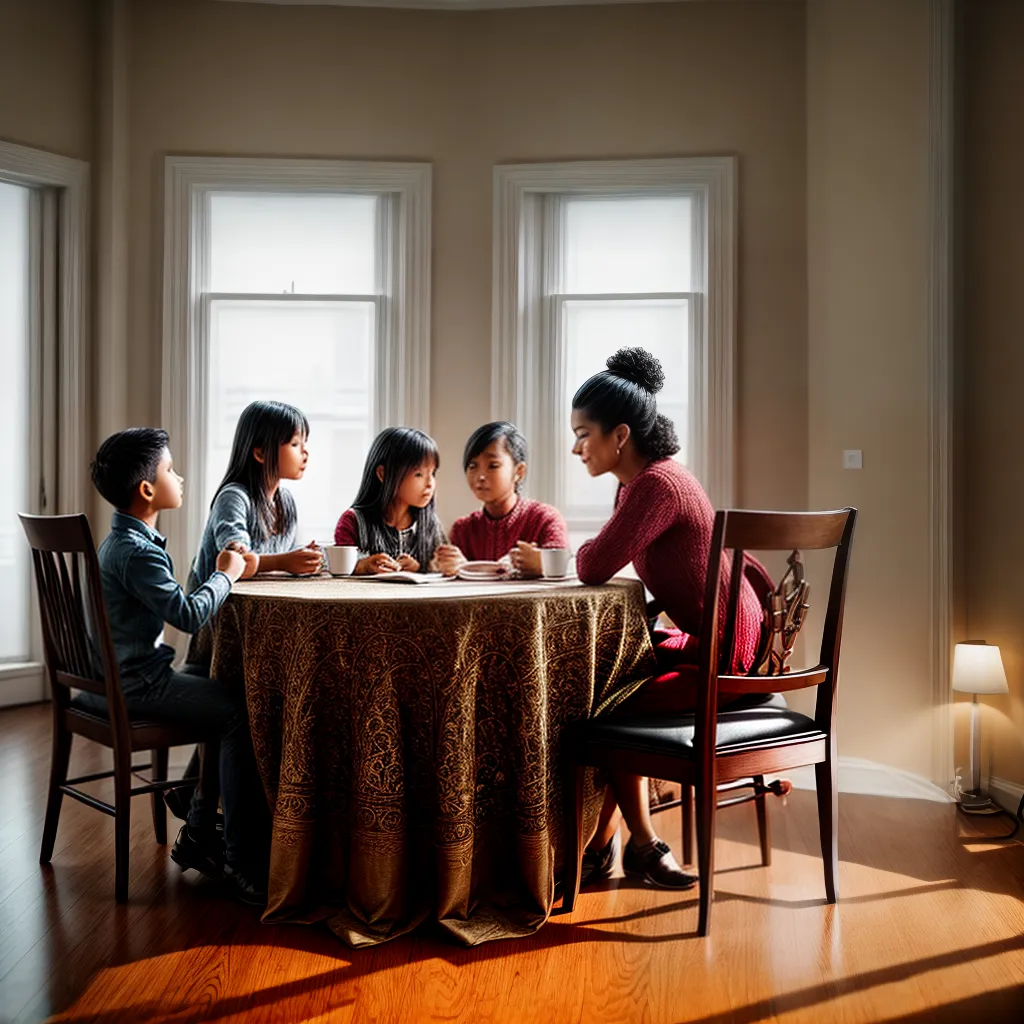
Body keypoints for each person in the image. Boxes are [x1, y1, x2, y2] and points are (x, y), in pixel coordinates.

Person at [570, 347, 772, 890]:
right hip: (723, 642)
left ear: (619, 436)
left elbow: (592, 564)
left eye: (583, 434)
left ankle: (628, 844)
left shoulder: (657, 486)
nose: (575, 447)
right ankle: (613, 846)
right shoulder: (645, 482)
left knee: (599, 704)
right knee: (605, 679)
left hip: (723, 658)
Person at [86, 427, 268, 903]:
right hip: (139, 684)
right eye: (170, 469)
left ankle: (200, 828)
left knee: (215, 681)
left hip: (117, 678)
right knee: (235, 715)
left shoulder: (119, 542)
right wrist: (225, 574)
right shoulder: (138, 553)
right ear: (147, 490)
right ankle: (239, 857)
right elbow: (187, 615)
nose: (179, 476)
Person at [435, 421, 568, 578]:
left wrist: (543, 565)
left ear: (519, 471)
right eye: (472, 465)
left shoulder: (545, 519)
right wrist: (450, 567)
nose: (480, 476)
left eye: (493, 465)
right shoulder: (463, 530)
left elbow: (562, 572)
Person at [334, 427, 447, 575]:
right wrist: (362, 566)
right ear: (383, 474)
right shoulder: (353, 521)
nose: (430, 483)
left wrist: (419, 569)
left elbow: (442, 569)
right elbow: (338, 568)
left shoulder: (431, 524)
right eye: (418, 474)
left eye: (432, 473)